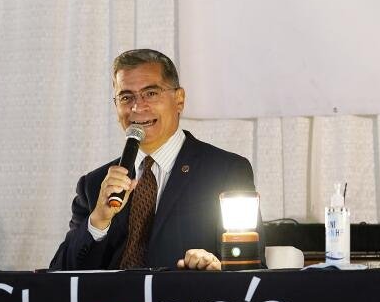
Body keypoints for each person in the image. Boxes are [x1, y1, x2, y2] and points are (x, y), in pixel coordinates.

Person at [50, 49, 256, 271]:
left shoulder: (226, 172)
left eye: (151, 94)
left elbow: (251, 270)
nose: (137, 107)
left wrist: (215, 268)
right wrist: (98, 220)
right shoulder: (94, 185)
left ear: (179, 99)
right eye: (126, 97)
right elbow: (59, 276)